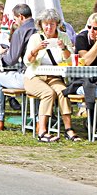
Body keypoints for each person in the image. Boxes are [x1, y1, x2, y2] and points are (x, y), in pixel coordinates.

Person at [23, 8, 81, 142]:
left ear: (57, 24)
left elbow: (70, 60)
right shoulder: (35, 38)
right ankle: (42, 131)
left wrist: (63, 48)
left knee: (63, 91)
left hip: (54, 76)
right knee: (48, 93)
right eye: (46, 24)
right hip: (34, 76)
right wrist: (36, 49)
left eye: (52, 24)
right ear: (41, 24)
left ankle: (68, 129)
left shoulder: (63, 37)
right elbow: (27, 61)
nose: (49, 27)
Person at [0, 4, 36, 131]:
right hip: (43, 76)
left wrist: (2, 57)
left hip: (28, 77)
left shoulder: (21, 31)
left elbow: (12, 59)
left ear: (21, 17)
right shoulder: (40, 28)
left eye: (15, 19)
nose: (14, 22)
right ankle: (39, 118)